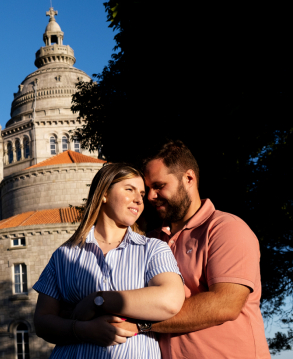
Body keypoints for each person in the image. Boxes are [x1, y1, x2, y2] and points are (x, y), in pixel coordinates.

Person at [33, 163, 185, 358]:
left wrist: (98, 301)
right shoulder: (64, 255)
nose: (139, 199)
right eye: (129, 190)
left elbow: (170, 301)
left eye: (141, 193)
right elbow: (42, 322)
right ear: (104, 194)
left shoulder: (153, 249)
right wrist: (83, 330)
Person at [142, 140, 270, 358]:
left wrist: (141, 323)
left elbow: (225, 304)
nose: (150, 196)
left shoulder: (226, 228)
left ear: (189, 178)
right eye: (147, 189)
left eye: (159, 186)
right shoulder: (151, 240)